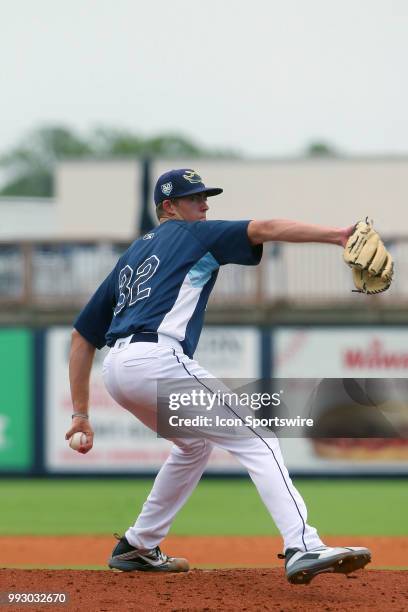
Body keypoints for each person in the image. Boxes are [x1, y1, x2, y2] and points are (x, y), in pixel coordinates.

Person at [65, 168, 371, 584]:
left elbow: (83, 337)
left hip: (118, 370)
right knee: (260, 437)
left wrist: (80, 414)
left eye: (206, 198)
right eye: (195, 199)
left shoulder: (131, 257)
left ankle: (138, 545)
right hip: (156, 358)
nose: (205, 206)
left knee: (192, 446)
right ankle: (304, 545)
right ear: (169, 207)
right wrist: (336, 235)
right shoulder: (192, 234)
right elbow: (265, 227)